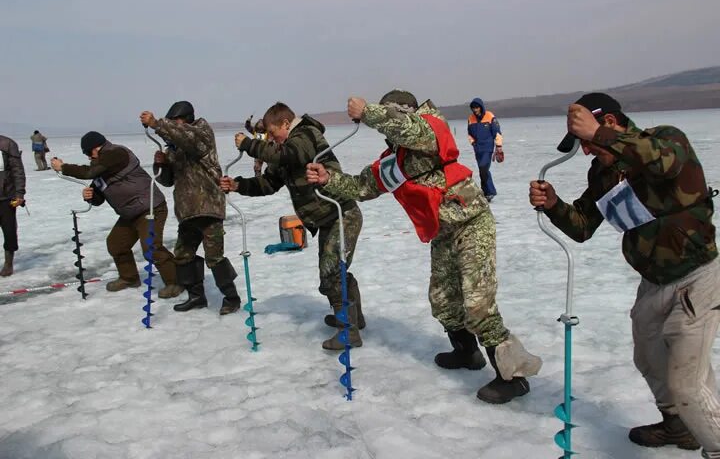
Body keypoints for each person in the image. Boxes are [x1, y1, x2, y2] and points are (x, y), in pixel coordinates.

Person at [306, 91, 541, 403]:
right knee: (442, 300)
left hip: (472, 223)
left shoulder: (431, 129)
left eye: (394, 113)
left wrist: (369, 112)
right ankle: (467, 353)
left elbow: (409, 128)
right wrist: (328, 179)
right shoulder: (395, 161)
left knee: (478, 304)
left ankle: (514, 378)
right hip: (443, 232)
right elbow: (362, 186)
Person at [529, 92, 719, 456]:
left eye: (586, 141)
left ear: (610, 123)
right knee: (649, 357)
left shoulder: (667, 139)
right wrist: (553, 205)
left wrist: (600, 136)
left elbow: (664, 165)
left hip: (698, 278)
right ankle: (678, 425)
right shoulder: (603, 172)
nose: (585, 151)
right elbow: (583, 226)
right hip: (654, 282)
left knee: (687, 383)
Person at [220, 102, 365, 350]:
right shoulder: (282, 149)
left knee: (331, 275)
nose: (272, 139)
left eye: (274, 133)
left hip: (342, 214)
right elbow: (268, 183)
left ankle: (348, 332)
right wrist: (237, 185)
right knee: (333, 273)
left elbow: (290, 155)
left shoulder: (306, 135)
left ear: (286, 124)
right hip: (326, 219)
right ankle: (353, 318)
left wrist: (249, 145)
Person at [51, 132, 183, 298]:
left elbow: (89, 173)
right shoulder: (101, 166)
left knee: (151, 247)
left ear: (95, 148)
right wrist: (91, 197)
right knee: (116, 244)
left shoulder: (116, 153)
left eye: (87, 153)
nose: (88, 156)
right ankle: (129, 278)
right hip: (130, 214)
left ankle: (175, 282)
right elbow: (98, 194)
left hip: (149, 207)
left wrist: (63, 168)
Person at [141, 101, 241, 315]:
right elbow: (167, 181)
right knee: (183, 255)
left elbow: (187, 138)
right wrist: (161, 163)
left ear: (185, 119)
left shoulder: (201, 132)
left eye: (174, 122)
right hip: (187, 211)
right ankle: (196, 297)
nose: (173, 127)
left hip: (208, 207)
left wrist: (157, 124)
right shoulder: (175, 147)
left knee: (214, 256)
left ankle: (231, 298)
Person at [467, 98, 504, 202]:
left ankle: (490, 192)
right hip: (477, 149)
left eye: (477, 107)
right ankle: (486, 193)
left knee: (483, 170)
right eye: (473, 108)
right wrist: (473, 143)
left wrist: (499, 146)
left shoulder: (490, 116)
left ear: (481, 107)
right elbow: (469, 134)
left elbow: (497, 132)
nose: (475, 110)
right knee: (482, 171)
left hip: (488, 148)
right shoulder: (471, 119)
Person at [0, 134, 26, 276]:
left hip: (6, 197)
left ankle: (8, 263)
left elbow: (18, 170)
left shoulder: (7, 144)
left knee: (9, 231)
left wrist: (20, 194)